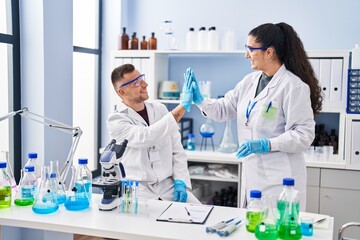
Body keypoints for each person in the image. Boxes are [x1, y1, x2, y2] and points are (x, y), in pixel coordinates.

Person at [187, 22, 323, 210]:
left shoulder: (293, 87)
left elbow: (304, 135)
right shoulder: (249, 81)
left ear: (269, 52)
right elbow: (225, 108)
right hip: (252, 177)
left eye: (251, 49)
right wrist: (200, 99)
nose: (246, 55)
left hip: (281, 182)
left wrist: (268, 144)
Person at [107, 63, 200, 203]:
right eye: (136, 82)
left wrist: (180, 180)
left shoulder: (160, 109)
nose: (145, 84)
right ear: (122, 92)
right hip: (138, 191)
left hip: (168, 186)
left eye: (141, 78)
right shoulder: (116, 120)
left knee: (200, 215)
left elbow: (177, 149)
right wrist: (183, 106)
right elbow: (146, 136)